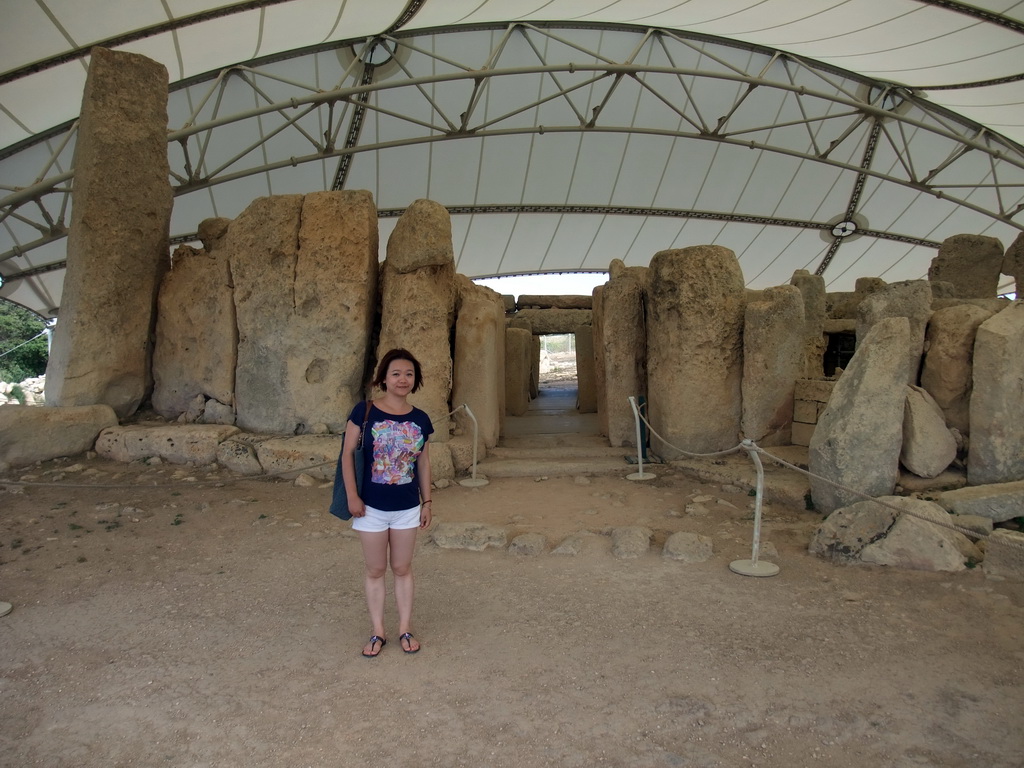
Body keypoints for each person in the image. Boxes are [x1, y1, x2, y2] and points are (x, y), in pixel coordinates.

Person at [341, 348, 434, 658]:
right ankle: (378, 630)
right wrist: (353, 496)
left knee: (403, 567)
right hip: (370, 507)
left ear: (415, 379)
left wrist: (427, 501)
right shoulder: (364, 412)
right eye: (395, 373)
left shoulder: (421, 419)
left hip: (407, 506)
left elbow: (422, 463)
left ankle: (405, 628)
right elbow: (347, 454)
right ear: (383, 378)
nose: (402, 379)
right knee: (376, 569)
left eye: (409, 374)